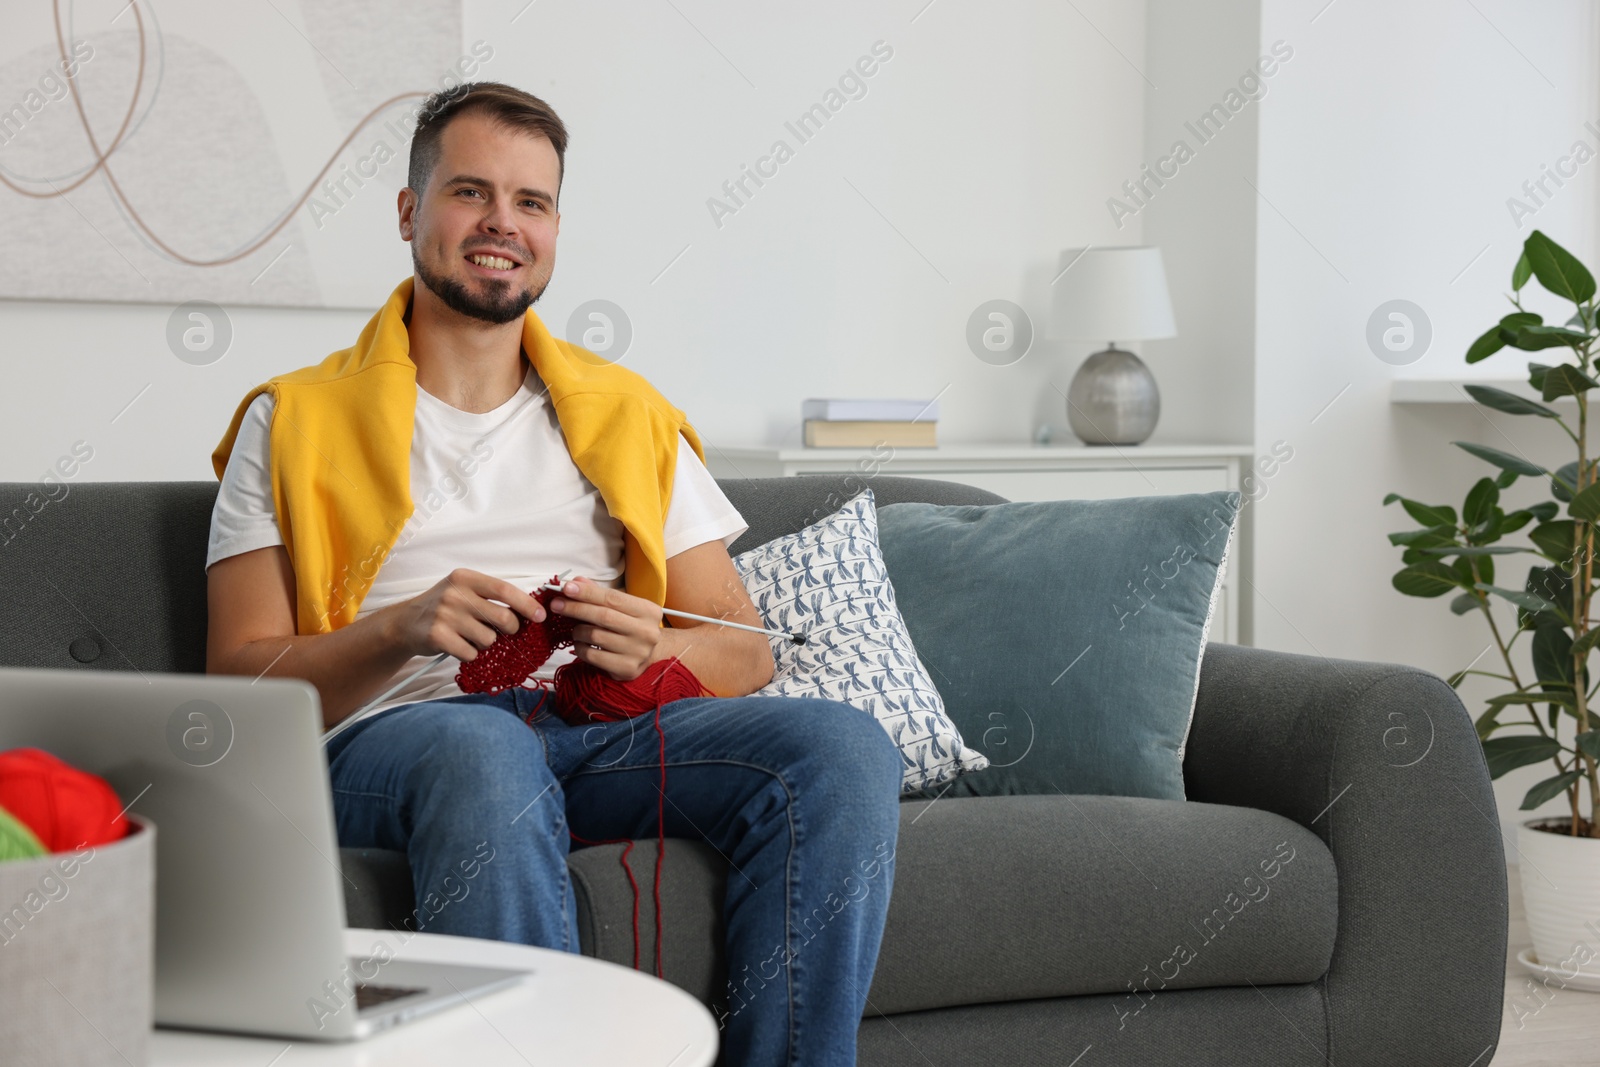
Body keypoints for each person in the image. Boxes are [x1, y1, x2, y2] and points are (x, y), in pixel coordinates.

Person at [203, 80, 901, 1066]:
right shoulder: (291, 418)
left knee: (840, 746)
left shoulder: (627, 414)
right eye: (470, 193)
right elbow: (237, 688)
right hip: (392, 746)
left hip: (588, 737)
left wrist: (651, 644)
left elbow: (742, 650)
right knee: (483, 753)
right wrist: (397, 629)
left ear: (556, 228)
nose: (502, 224)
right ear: (409, 213)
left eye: (531, 202)